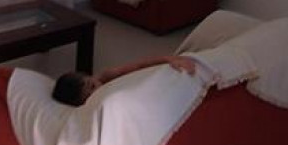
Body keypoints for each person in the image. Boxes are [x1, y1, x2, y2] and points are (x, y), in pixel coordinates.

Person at [52, 55, 198, 107]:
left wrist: (170, 59)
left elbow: (140, 65)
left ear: (91, 77)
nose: (96, 92)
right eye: (89, 97)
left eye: (92, 85)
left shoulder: (107, 76)